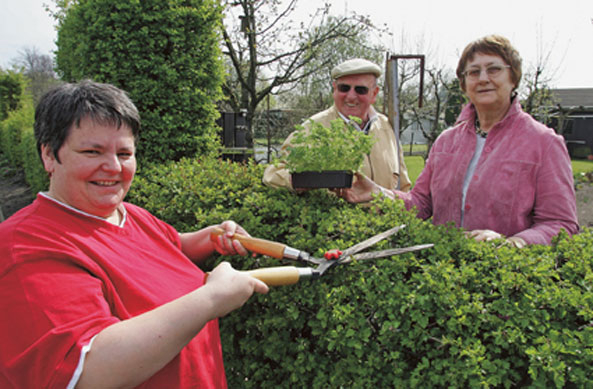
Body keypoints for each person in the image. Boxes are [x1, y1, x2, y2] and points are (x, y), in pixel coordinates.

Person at [0, 80, 269, 388]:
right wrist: (210, 299)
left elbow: (159, 250)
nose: (113, 167)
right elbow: (88, 371)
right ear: (49, 155)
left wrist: (207, 238)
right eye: (92, 151)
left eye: (125, 153)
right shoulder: (24, 247)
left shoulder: (127, 214)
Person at [340, 35, 579, 247]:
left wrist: (513, 243)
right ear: (464, 84)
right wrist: (380, 193)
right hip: (444, 275)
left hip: (509, 283)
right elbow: (422, 203)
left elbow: (560, 224)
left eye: (494, 69)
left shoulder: (543, 143)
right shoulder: (446, 142)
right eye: (473, 72)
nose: (483, 78)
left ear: (513, 78)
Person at [263, 58, 412, 193]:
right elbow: (272, 175)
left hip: (387, 222)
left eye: (360, 90)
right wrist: (302, 181)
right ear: (334, 89)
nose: (351, 96)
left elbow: (403, 186)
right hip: (338, 223)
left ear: (374, 93)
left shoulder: (386, 127)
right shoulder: (313, 128)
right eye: (344, 88)